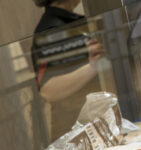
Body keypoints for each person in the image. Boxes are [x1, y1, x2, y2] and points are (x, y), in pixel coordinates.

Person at [31, 0, 105, 136]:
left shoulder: (73, 21)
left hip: (93, 124)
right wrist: (92, 68)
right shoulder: (49, 30)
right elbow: (48, 90)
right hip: (75, 133)